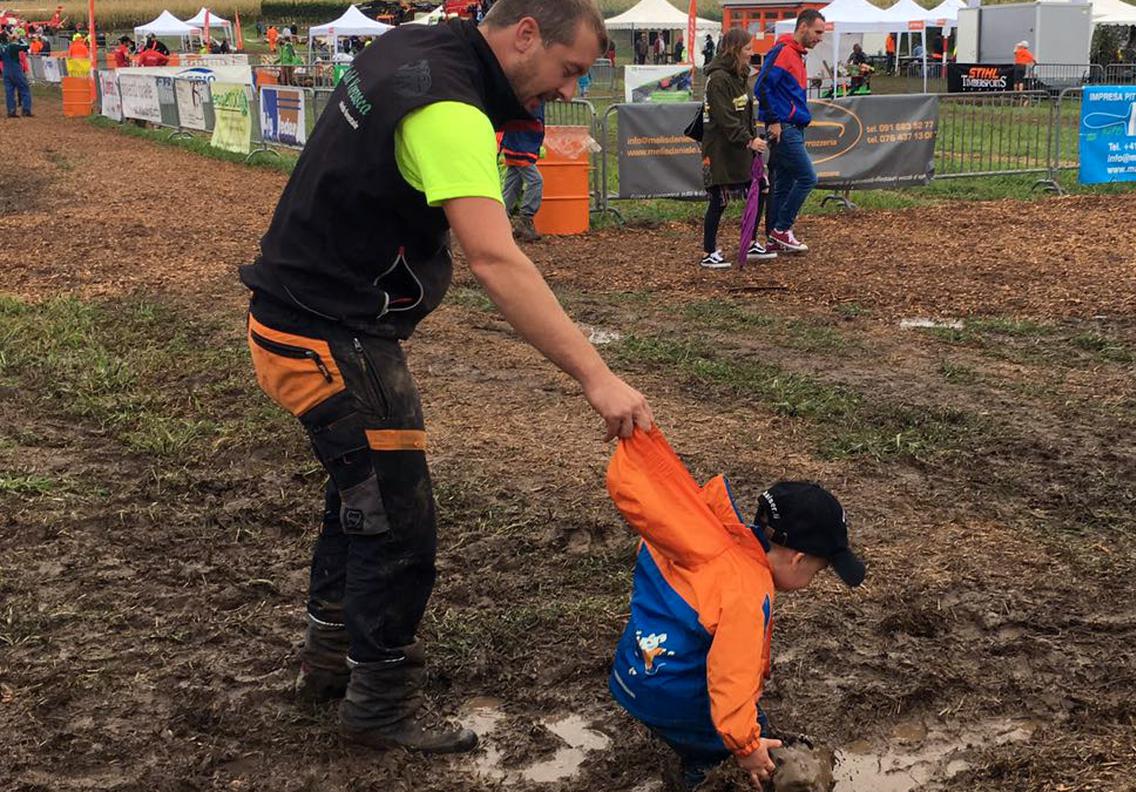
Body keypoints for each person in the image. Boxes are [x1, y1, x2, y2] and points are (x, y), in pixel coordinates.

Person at [240, 0, 651, 754]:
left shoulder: (414, 48)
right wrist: (597, 377)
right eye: (571, 71)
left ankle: (335, 660)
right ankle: (377, 705)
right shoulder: (449, 108)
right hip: (329, 330)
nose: (568, 91)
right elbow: (497, 259)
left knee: (359, 502)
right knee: (398, 522)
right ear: (526, 33)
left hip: (300, 312)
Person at [606, 428, 865, 791]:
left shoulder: (699, 539)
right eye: (818, 571)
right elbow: (731, 676)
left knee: (730, 719)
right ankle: (699, 777)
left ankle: (681, 739)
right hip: (675, 696)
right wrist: (745, 748)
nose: (814, 579)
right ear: (798, 559)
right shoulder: (746, 590)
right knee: (719, 754)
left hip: (634, 674)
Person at [699, 27, 774, 269]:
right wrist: (748, 139)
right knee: (719, 199)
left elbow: (745, 111)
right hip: (721, 150)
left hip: (743, 148)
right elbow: (725, 117)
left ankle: (750, 241)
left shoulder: (740, 75)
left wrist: (754, 137)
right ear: (734, 50)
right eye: (748, 49)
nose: (753, 53)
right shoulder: (718, 79)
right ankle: (709, 251)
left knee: (760, 187)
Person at [756, 9, 825, 255]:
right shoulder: (784, 52)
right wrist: (773, 119)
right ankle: (782, 229)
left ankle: (775, 236)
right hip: (784, 126)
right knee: (808, 177)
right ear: (803, 27)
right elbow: (762, 86)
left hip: (792, 125)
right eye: (817, 32)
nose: (820, 38)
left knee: (783, 184)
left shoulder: (796, 54)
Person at [501, 103, 545, 242]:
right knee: (535, 181)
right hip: (521, 143)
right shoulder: (527, 96)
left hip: (517, 141)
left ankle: (501, 218)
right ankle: (525, 219)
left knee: (513, 182)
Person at [2, 30, 32, 118]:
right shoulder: (13, 46)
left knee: (9, 91)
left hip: (6, 69)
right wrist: (19, 38)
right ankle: (26, 110)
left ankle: (11, 111)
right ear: (7, 37)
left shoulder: (1, 47)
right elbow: (26, 46)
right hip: (15, 69)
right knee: (24, 89)